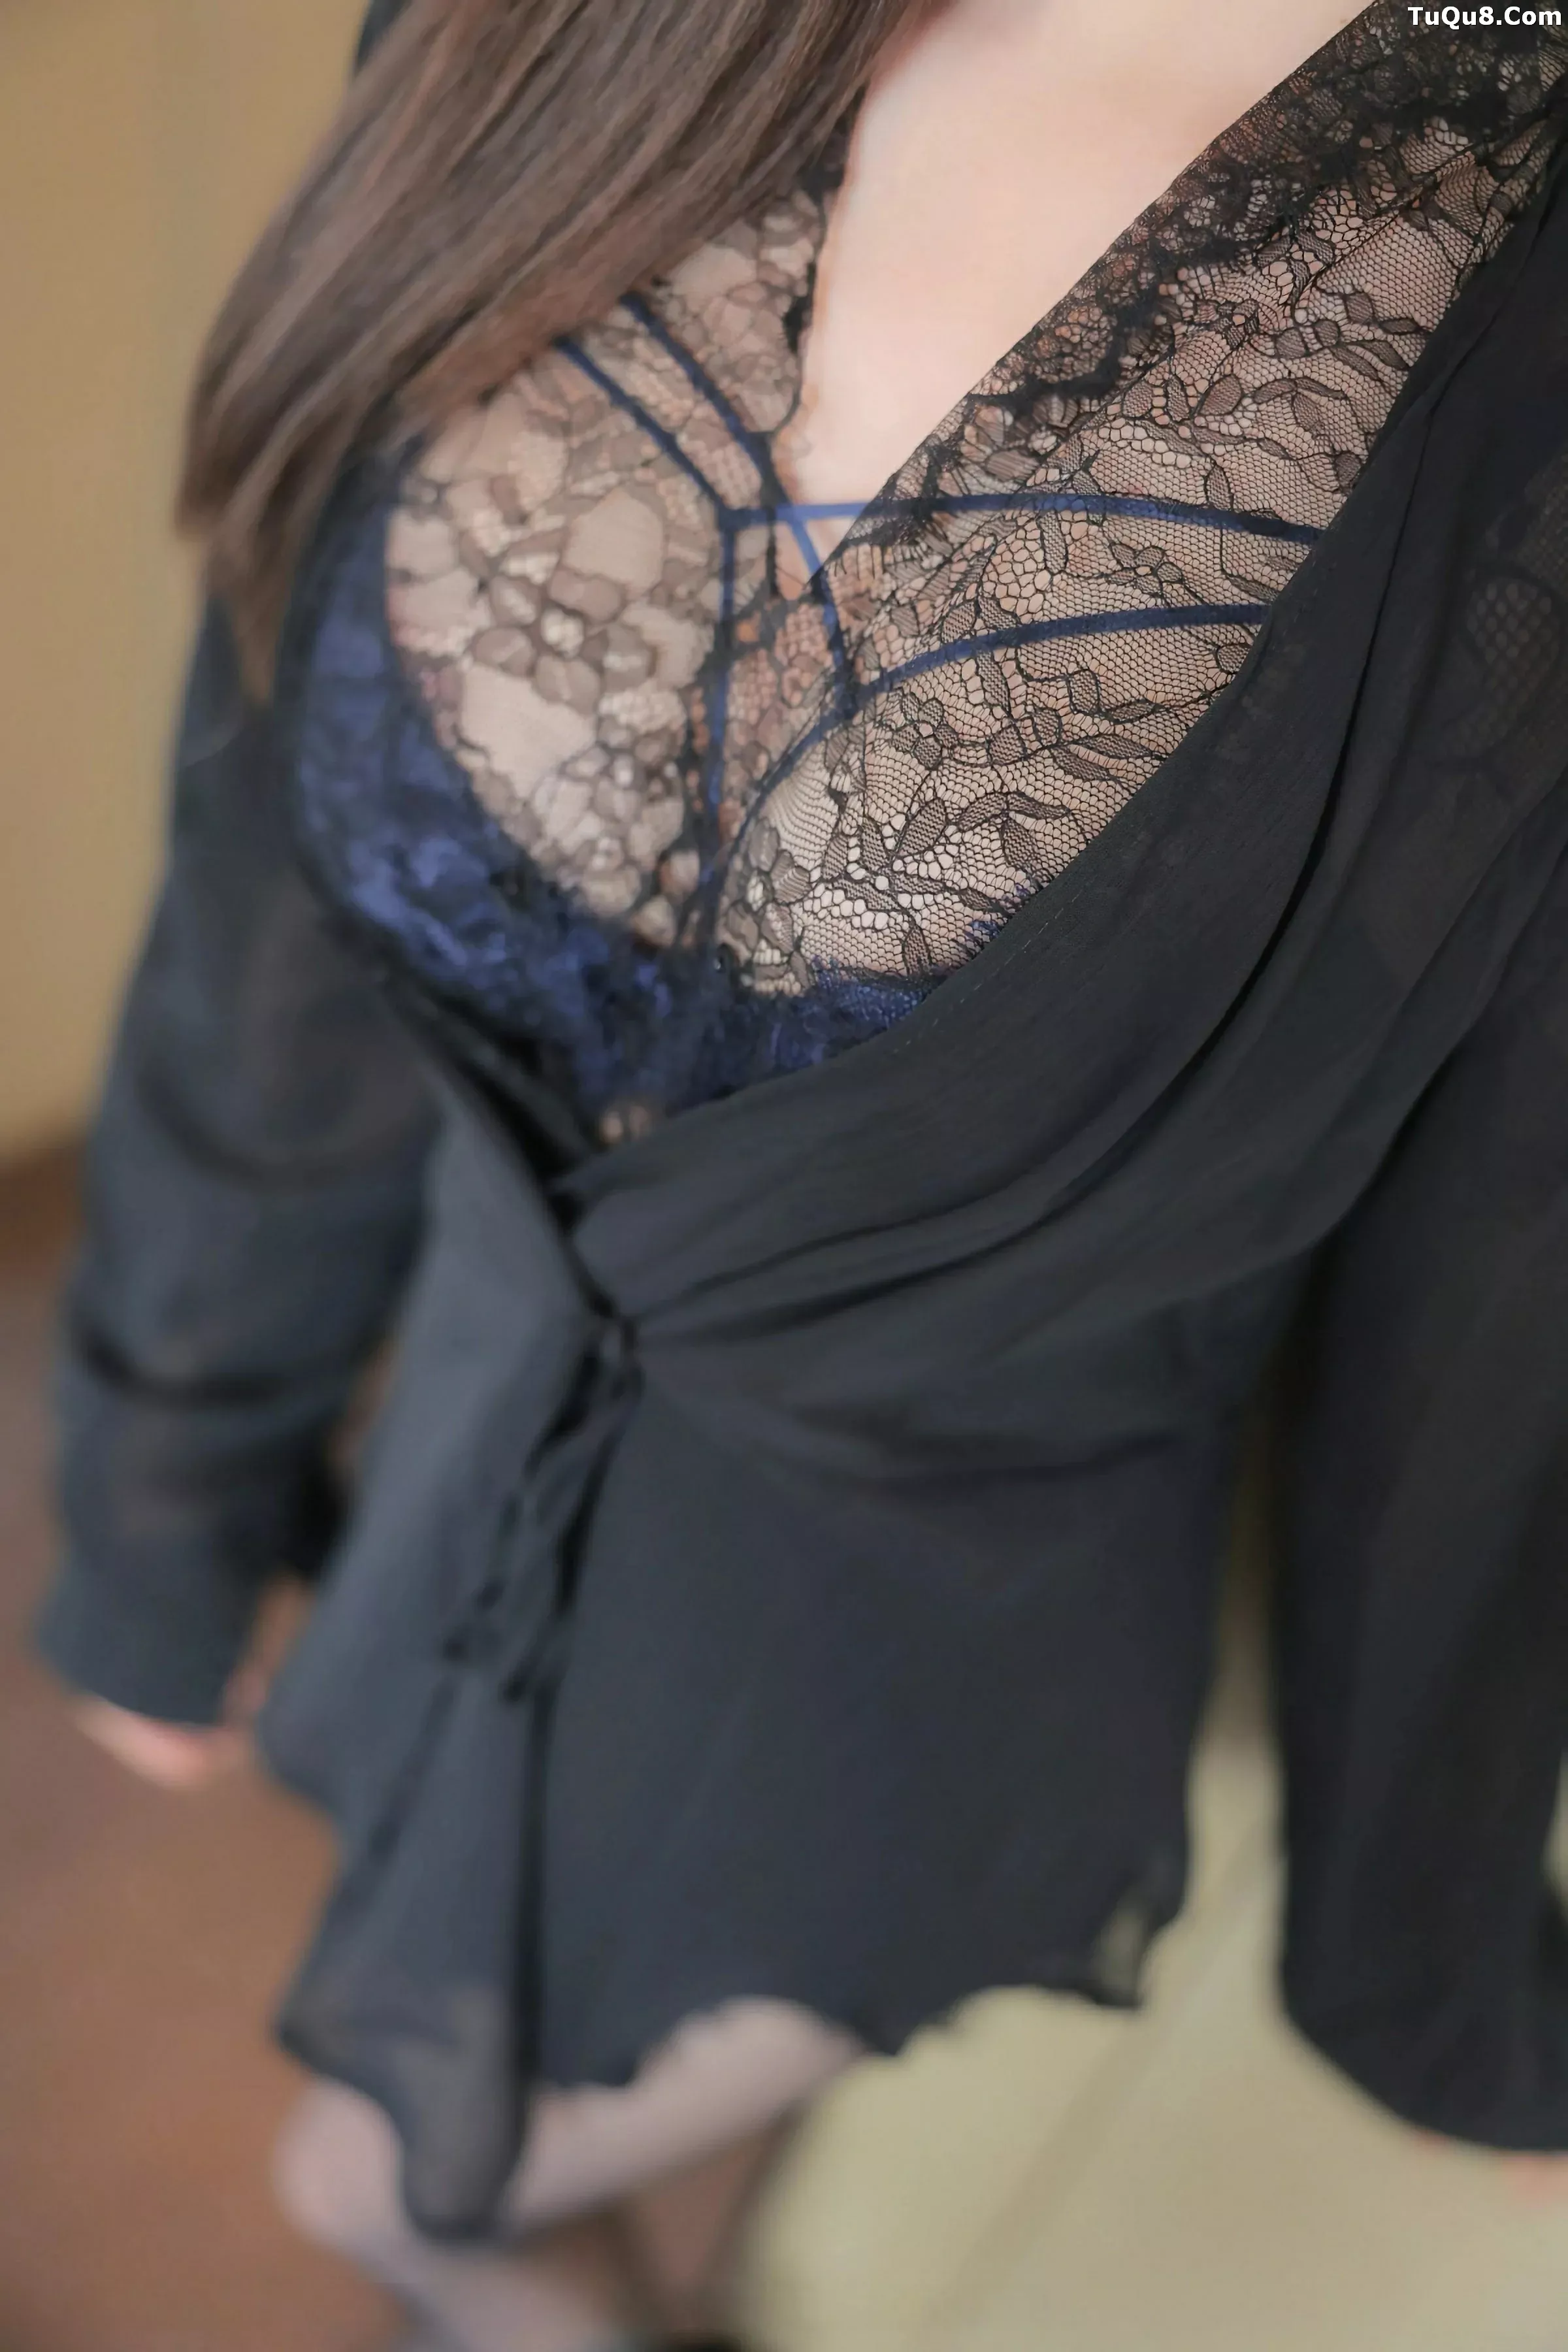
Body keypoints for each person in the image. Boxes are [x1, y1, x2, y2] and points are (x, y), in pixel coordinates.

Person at [37, 0, 1568, 2342]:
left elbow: (1505, 1274)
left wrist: (1417, 1949)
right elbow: (272, 796)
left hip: (937, 1654)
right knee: (466, 2171)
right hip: (458, 1470)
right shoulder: (568, 33)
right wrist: (172, 1465)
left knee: (396, 2179)